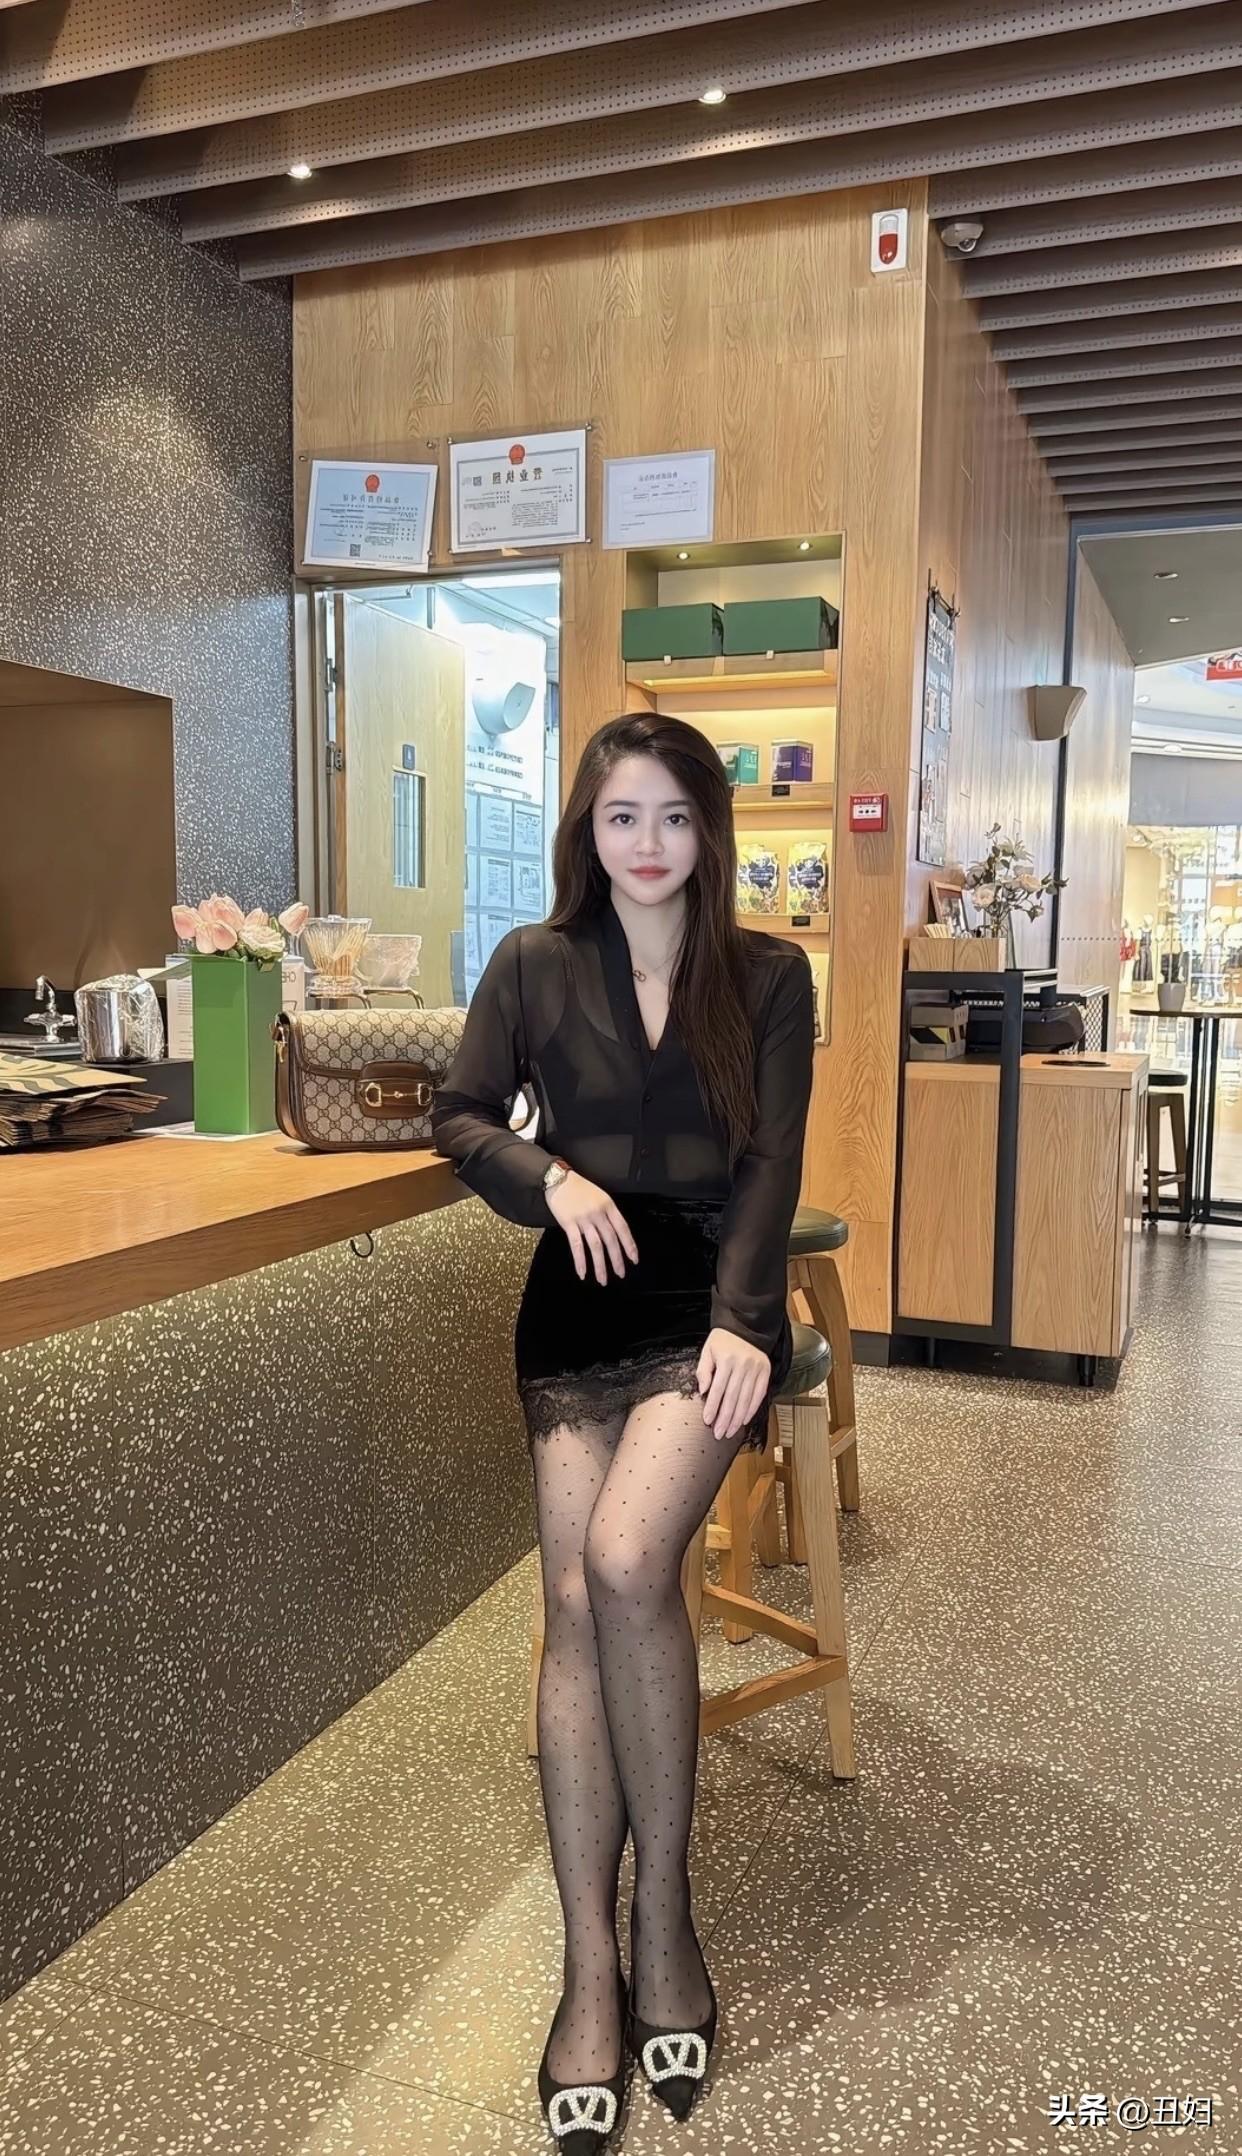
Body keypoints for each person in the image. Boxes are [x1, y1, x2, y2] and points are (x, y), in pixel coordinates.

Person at [432, 711, 814, 2151]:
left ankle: (668, 1925)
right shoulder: (532, 962)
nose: (646, 844)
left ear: (709, 828)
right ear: (585, 833)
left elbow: (771, 1158)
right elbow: (459, 1115)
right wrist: (547, 1178)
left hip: (706, 1306)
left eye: (671, 816)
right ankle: (591, 1968)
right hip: (575, 1308)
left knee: (625, 1560)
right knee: (570, 1599)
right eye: (619, 817)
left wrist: (746, 1318)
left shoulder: (767, 974)